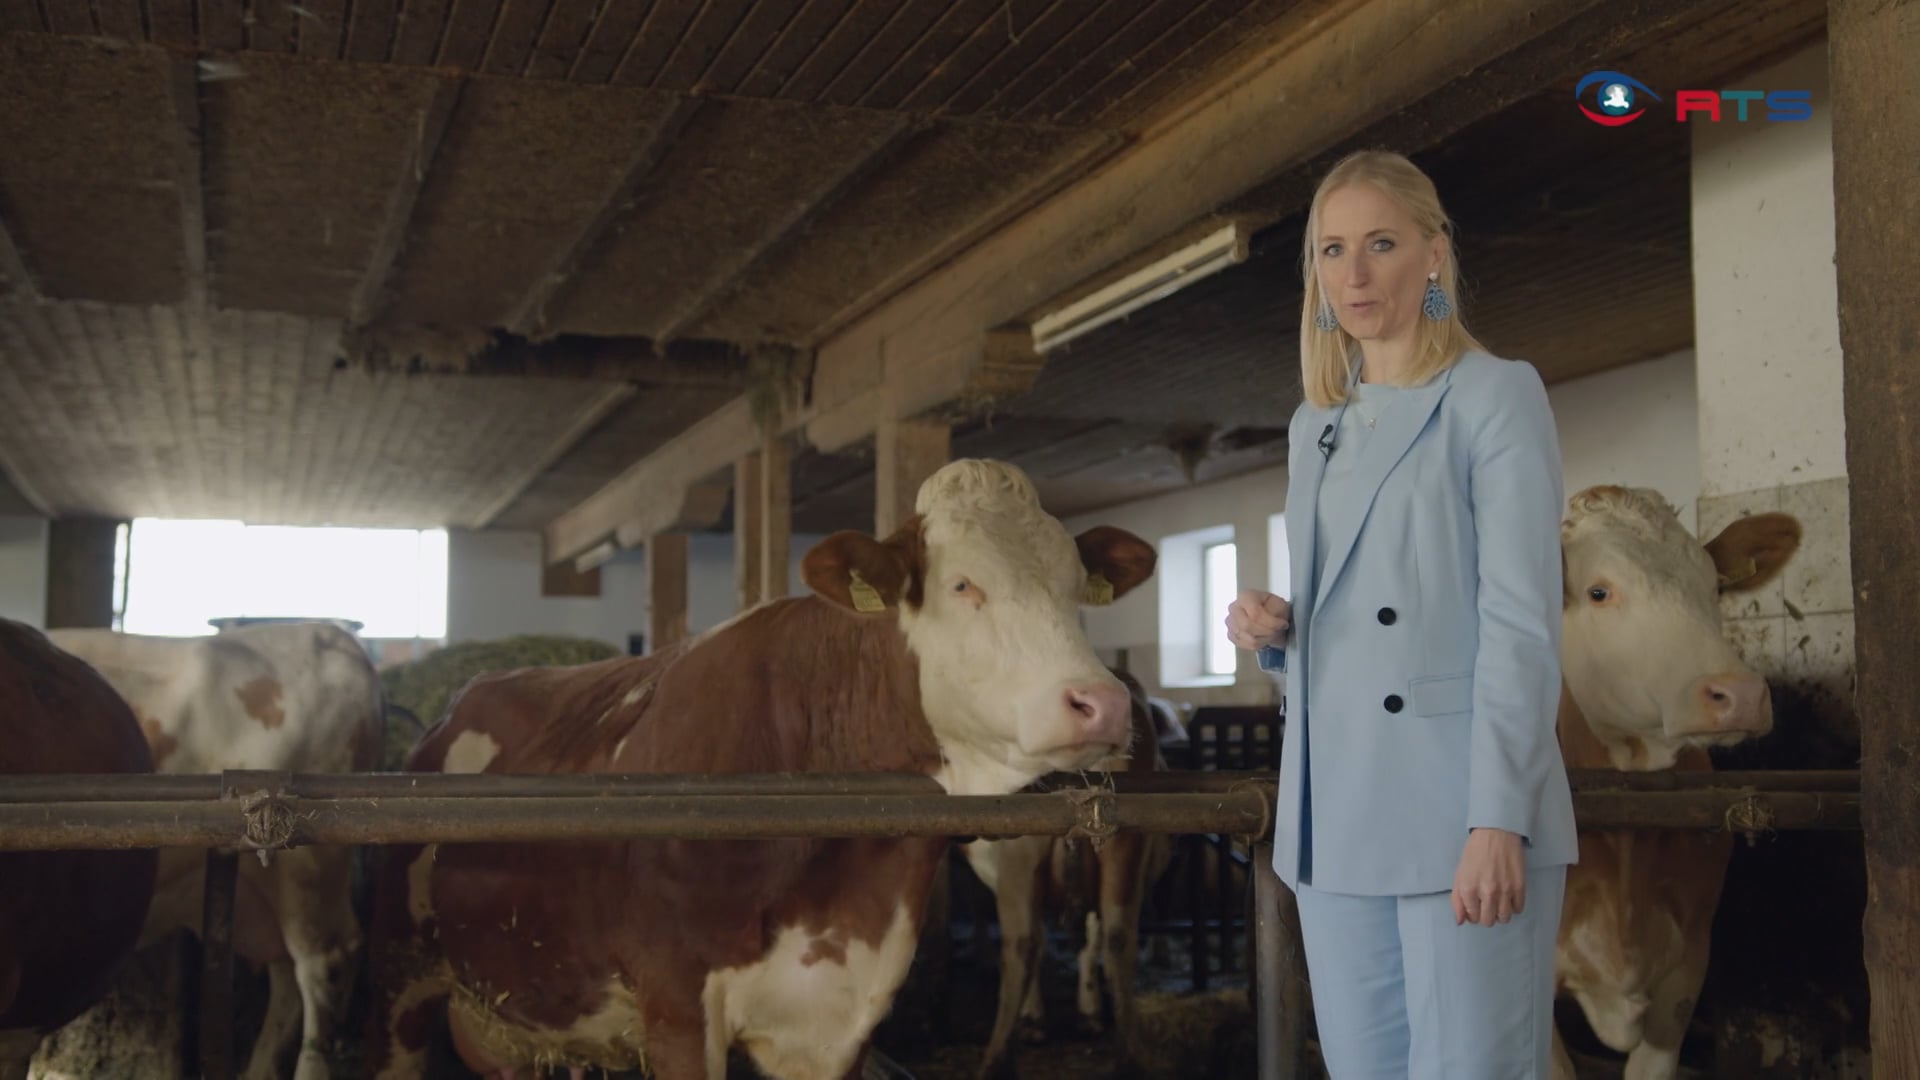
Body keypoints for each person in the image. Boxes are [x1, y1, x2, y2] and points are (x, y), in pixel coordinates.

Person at [1225, 149, 1577, 1078]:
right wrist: (1280, 632)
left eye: (1380, 243)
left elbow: (1520, 623)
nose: (1354, 273)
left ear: (1433, 256)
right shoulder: (1317, 423)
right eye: (1333, 249)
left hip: (1459, 813)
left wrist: (1498, 820)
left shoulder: (1494, 396)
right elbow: (1367, 608)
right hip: (1333, 814)